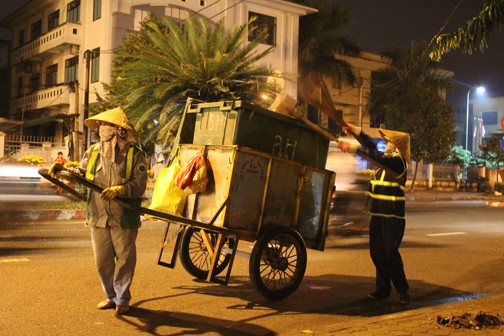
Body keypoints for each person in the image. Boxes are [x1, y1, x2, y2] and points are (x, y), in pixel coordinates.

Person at [49, 107, 147, 316]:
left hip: (124, 217)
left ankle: (122, 299)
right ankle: (110, 296)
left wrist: (121, 189)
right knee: (102, 260)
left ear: (120, 131)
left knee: (124, 259)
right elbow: (81, 173)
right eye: (102, 127)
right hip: (98, 215)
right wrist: (62, 170)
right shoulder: (93, 152)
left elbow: (140, 184)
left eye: (108, 127)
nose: (103, 130)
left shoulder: (135, 155)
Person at [337, 124, 411, 304]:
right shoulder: (384, 161)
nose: (385, 144)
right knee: (377, 253)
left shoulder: (398, 162)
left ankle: (403, 291)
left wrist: (354, 149)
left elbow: (374, 154)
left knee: (390, 254)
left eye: (388, 142)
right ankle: (383, 289)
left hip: (392, 218)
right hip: (378, 215)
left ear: (396, 146)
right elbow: (372, 147)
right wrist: (356, 132)